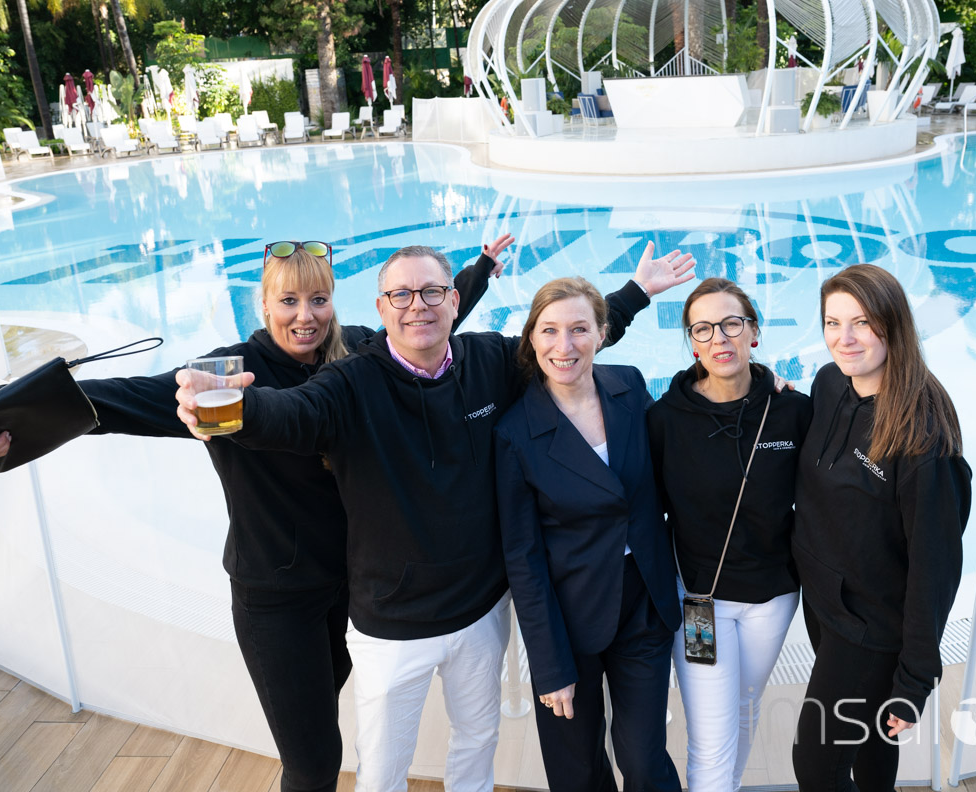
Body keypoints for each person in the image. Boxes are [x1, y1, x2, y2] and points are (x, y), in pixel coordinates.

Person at [0, 237, 510, 792]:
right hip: (277, 598)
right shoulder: (226, 377)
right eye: (289, 301)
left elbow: (423, 320)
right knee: (314, 763)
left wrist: (478, 272)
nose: (305, 316)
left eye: (318, 300)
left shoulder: (356, 356)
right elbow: (118, 401)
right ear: (264, 305)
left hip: (351, 591)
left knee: (319, 729)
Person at [173, 244, 695, 792]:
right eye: (400, 294)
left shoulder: (489, 360)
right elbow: (295, 413)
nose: (416, 305)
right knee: (382, 773)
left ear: (454, 301)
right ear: (381, 308)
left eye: (430, 292)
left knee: (476, 747)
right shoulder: (350, 382)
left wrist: (635, 294)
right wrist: (242, 410)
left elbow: (563, 346)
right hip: (391, 624)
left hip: (479, 613)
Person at [494, 278, 682, 792]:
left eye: (579, 329)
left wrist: (760, 388)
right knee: (576, 772)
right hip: (568, 617)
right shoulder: (515, 433)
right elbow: (523, 558)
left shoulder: (629, 386)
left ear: (602, 333)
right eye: (550, 330)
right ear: (532, 338)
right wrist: (550, 665)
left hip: (642, 602)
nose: (565, 345)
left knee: (644, 762)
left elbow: (680, 439)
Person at [790, 264, 972, 792]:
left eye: (862, 323)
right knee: (870, 748)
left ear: (892, 326)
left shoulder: (922, 438)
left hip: (871, 629)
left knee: (816, 766)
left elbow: (935, 569)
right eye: (832, 323)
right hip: (825, 604)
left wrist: (914, 679)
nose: (843, 339)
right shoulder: (829, 383)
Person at [646, 277, 812, 792]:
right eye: (703, 328)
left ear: (754, 332)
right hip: (701, 602)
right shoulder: (665, 420)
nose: (719, 337)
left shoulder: (793, 410)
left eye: (731, 324)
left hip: (772, 598)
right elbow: (648, 512)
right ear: (692, 343)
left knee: (744, 708)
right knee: (712, 737)